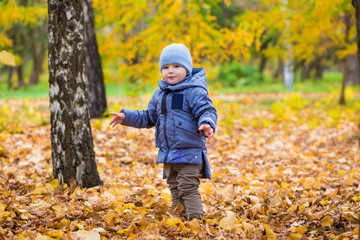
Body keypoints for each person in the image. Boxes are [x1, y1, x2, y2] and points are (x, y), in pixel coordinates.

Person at [109, 43, 217, 220]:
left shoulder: (193, 92)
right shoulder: (159, 95)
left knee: (188, 187)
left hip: (189, 151)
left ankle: (196, 220)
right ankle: (178, 217)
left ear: (187, 69)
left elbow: (207, 110)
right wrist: (126, 117)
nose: (170, 71)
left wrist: (207, 123)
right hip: (169, 153)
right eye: (166, 67)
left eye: (176, 66)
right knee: (174, 186)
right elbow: (148, 118)